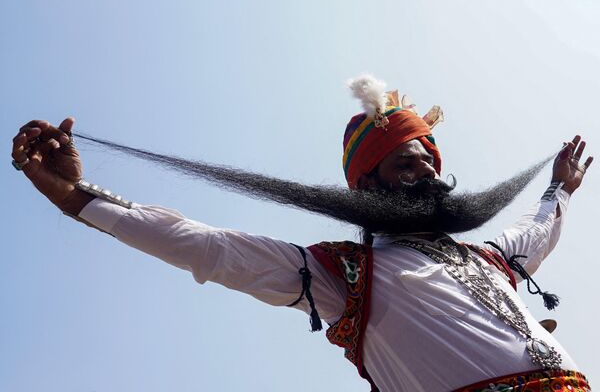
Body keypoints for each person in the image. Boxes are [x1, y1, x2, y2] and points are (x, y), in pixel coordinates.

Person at [10, 75, 594, 391]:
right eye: (407, 165)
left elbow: (538, 229)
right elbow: (208, 247)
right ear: (368, 190)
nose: (429, 174)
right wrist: (76, 198)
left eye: (430, 163)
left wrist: (561, 189)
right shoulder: (346, 275)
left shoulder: (492, 259)